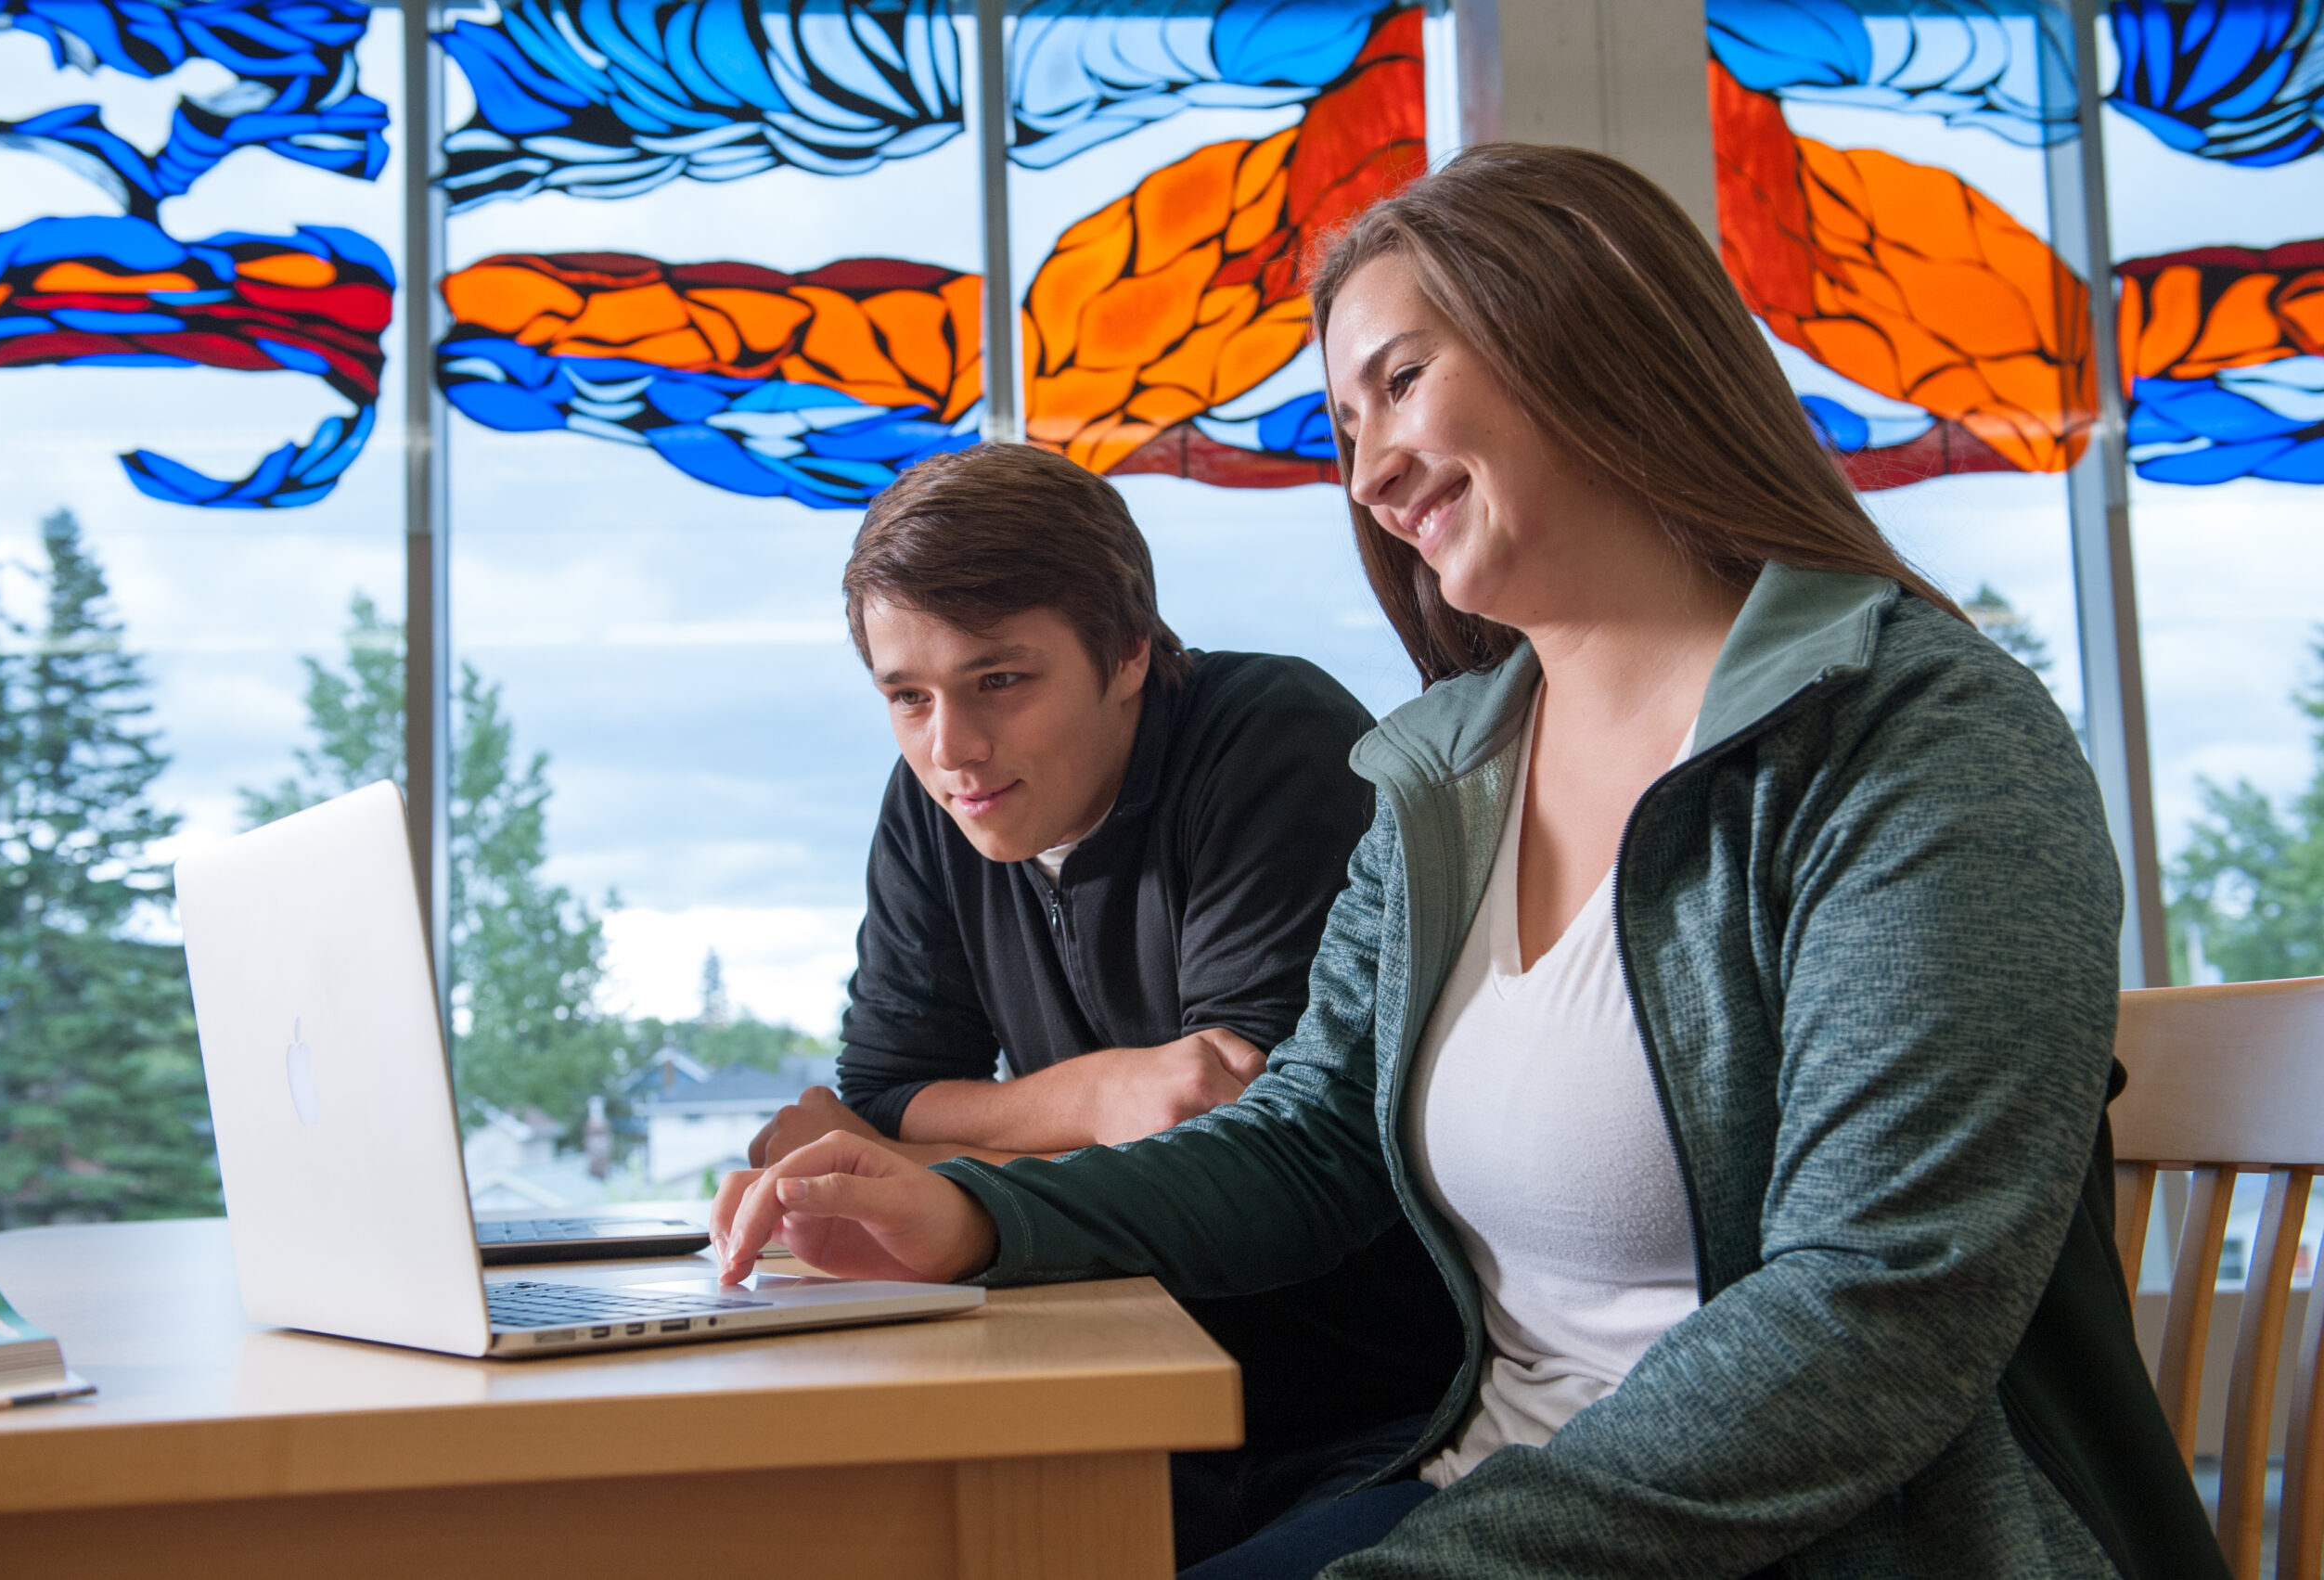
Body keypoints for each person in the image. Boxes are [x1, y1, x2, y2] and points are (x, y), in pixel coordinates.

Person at [711, 146, 2227, 1580]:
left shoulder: (1915, 736)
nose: (1366, 468)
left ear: (1591, 335)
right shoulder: (1451, 771)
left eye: (1400, 379)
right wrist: (975, 1221)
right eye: (1345, 423)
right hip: (1473, 1489)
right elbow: (1309, 1143)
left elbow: (1872, 1312)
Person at [745, 442, 1460, 1569]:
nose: (952, 750)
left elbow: (1238, 1121)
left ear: (1127, 652)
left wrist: (938, 1146)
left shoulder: (1266, 730)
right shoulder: (937, 799)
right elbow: (878, 1091)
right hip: (1109, 1385)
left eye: (999, 680)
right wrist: (1100, 1087)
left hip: (1353, 1412)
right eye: (907, 696)